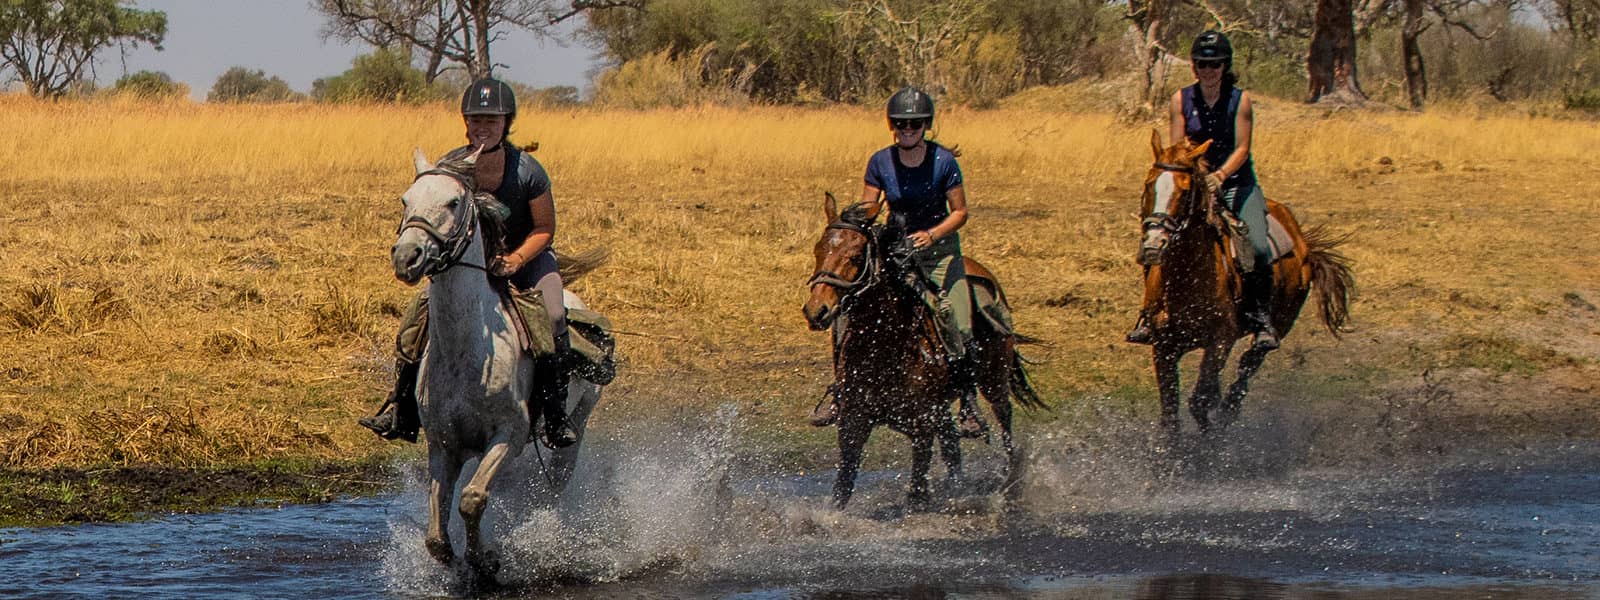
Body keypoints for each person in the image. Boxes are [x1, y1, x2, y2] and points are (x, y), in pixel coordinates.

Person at [360, 77, 579, 448]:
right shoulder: (451, 167)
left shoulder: (528, 171)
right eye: (476, 120)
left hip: (528, 261)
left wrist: (514, 260)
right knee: (417, 318)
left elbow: (545, 229)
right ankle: (401, 409)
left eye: (491, 121)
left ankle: (555, 415)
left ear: (506, 124)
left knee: (554, 314)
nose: (483, 128)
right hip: (467, 264)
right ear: (466, 122)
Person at [809, 85, 988, 437]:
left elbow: (961, 212)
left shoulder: (943, 162)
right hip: (896, 251)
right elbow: (869, 209)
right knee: (847, 313)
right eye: (902, 125)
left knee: (960, 319)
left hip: (939, 253)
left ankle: (967, 402)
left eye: (915, 125)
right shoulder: (879, 162)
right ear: (893, 126)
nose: (908, 131)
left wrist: (931, 235)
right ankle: (840, 391)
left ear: (926, 126)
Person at [1126, 30, 1279, 352]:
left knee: (1258, 247)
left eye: (1216, 64)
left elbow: (1243, 148)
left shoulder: (1241, 101)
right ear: (1194, 67)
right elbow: (1178, 149)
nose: (1209, 71)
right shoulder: (1181, 100)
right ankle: (1149, 313)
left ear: (1225, 66)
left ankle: (1260, 318)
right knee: (1157, 234)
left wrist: (1220, 175)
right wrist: (1196, 179)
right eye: (1203, 64)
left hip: (1237, 183)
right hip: (1193, 183)